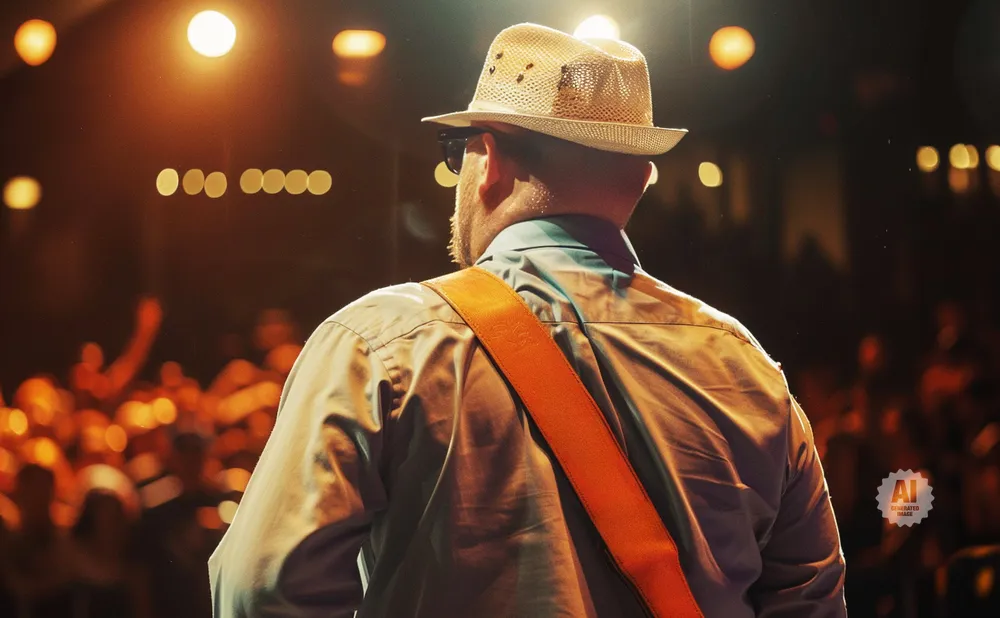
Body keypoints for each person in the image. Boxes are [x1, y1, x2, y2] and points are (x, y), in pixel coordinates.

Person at [209, 23, 846, 617]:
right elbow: (812, 599)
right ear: (641, 177)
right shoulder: (745, 367)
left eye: (457, 150)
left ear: (489, 160)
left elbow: (261, 590)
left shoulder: (380, 345)